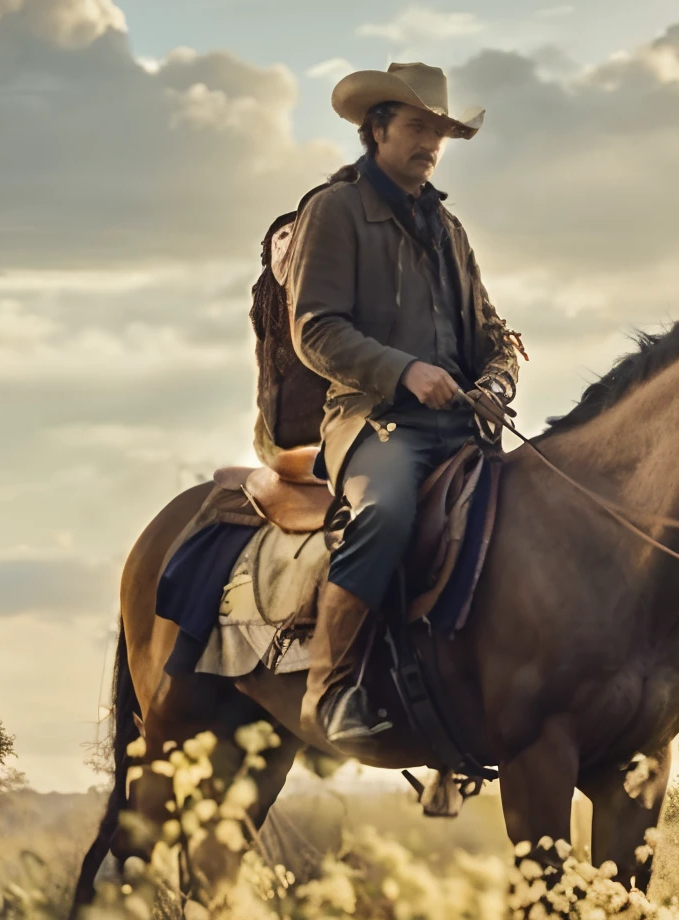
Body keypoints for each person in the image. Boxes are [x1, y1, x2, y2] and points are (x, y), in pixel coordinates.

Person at [286, 62, 524, 747]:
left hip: (461, 427)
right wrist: (407, 371)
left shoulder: (450, 229)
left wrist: (496, 383)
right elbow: (316, 331)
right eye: (418, 127)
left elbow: (493, 334)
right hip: (373, 420)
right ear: (378, 128)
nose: (431, 143)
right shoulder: (333, 211)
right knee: (386, 514)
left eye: (440, 132)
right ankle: (328, 694)